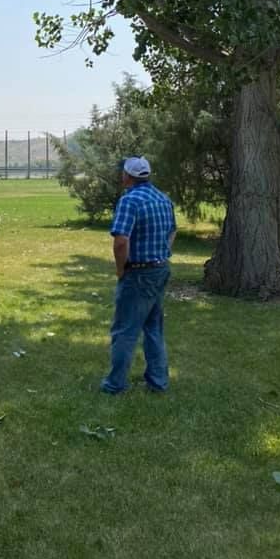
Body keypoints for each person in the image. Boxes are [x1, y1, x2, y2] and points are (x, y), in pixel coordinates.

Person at [100, 156, 176, 394]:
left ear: (127, 176)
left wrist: (121, 269)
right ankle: (158, 381)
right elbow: (173, 230)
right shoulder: (163, 198)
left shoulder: (129, 201)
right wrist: (163, 251)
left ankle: (114, 385)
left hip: (139, 273)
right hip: (160, 269)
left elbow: (121, 241)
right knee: (153, 327)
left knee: (125, 330)